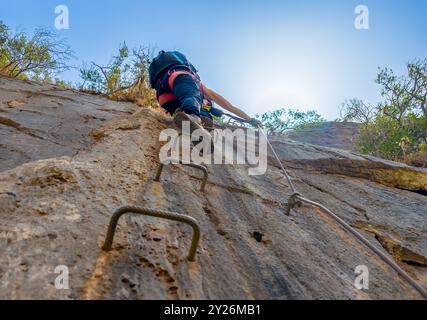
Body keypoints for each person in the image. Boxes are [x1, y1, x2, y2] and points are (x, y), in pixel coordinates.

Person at [149, 51, 260, 133]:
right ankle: (193, 116)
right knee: (192, 97)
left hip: (164, 96)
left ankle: (190, 120)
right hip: (178, 78)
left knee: (201, 112)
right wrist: (250, 119)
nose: (208, 103)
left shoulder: (199, 95)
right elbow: (231, 107)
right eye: (208, 102)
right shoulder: (201, 88)